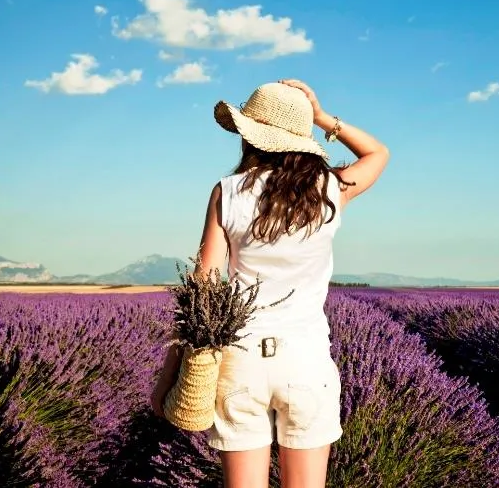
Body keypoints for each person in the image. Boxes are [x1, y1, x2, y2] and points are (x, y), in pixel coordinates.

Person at [150, 78, 389, 487]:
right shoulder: (329, 188)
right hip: (307, 358)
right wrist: (320, 116)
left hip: (239, 362)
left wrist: (170, 374)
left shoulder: (227, 192)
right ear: (300, 138)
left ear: (249, 136)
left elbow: (203, 290)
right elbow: (377, 152)